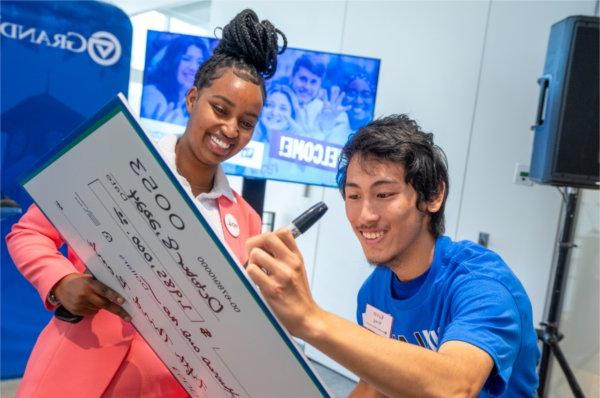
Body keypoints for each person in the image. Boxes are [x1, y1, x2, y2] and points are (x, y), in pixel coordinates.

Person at [6, 9, 287, 397]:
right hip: (73, 372)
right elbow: (28, 232)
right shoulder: (117, 160)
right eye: (220, 109)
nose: (230, 129)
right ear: (192, 98)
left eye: (246, 122)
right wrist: (61, 281)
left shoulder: (247, 221)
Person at [245, 114, 540, 397]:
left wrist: (311, 319)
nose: (365, 216)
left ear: (433, 196)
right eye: (354, 196)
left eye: (384, 195)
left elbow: (454, 387)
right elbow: (376, 387)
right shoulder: (374, 292)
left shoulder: (483, 285)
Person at [141, 36, 208, 125]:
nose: (194, 67)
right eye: (186, 59)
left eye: (199, 62)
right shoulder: (152, 95)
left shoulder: (190, 103)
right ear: (172, 61)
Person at [289, 54, 350, 144]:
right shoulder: (276, 105)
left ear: (320, 84)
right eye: (303, 79)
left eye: (313, 82)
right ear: (292, 77)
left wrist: (325, 128)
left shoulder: (338, 116)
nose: (307, 87)